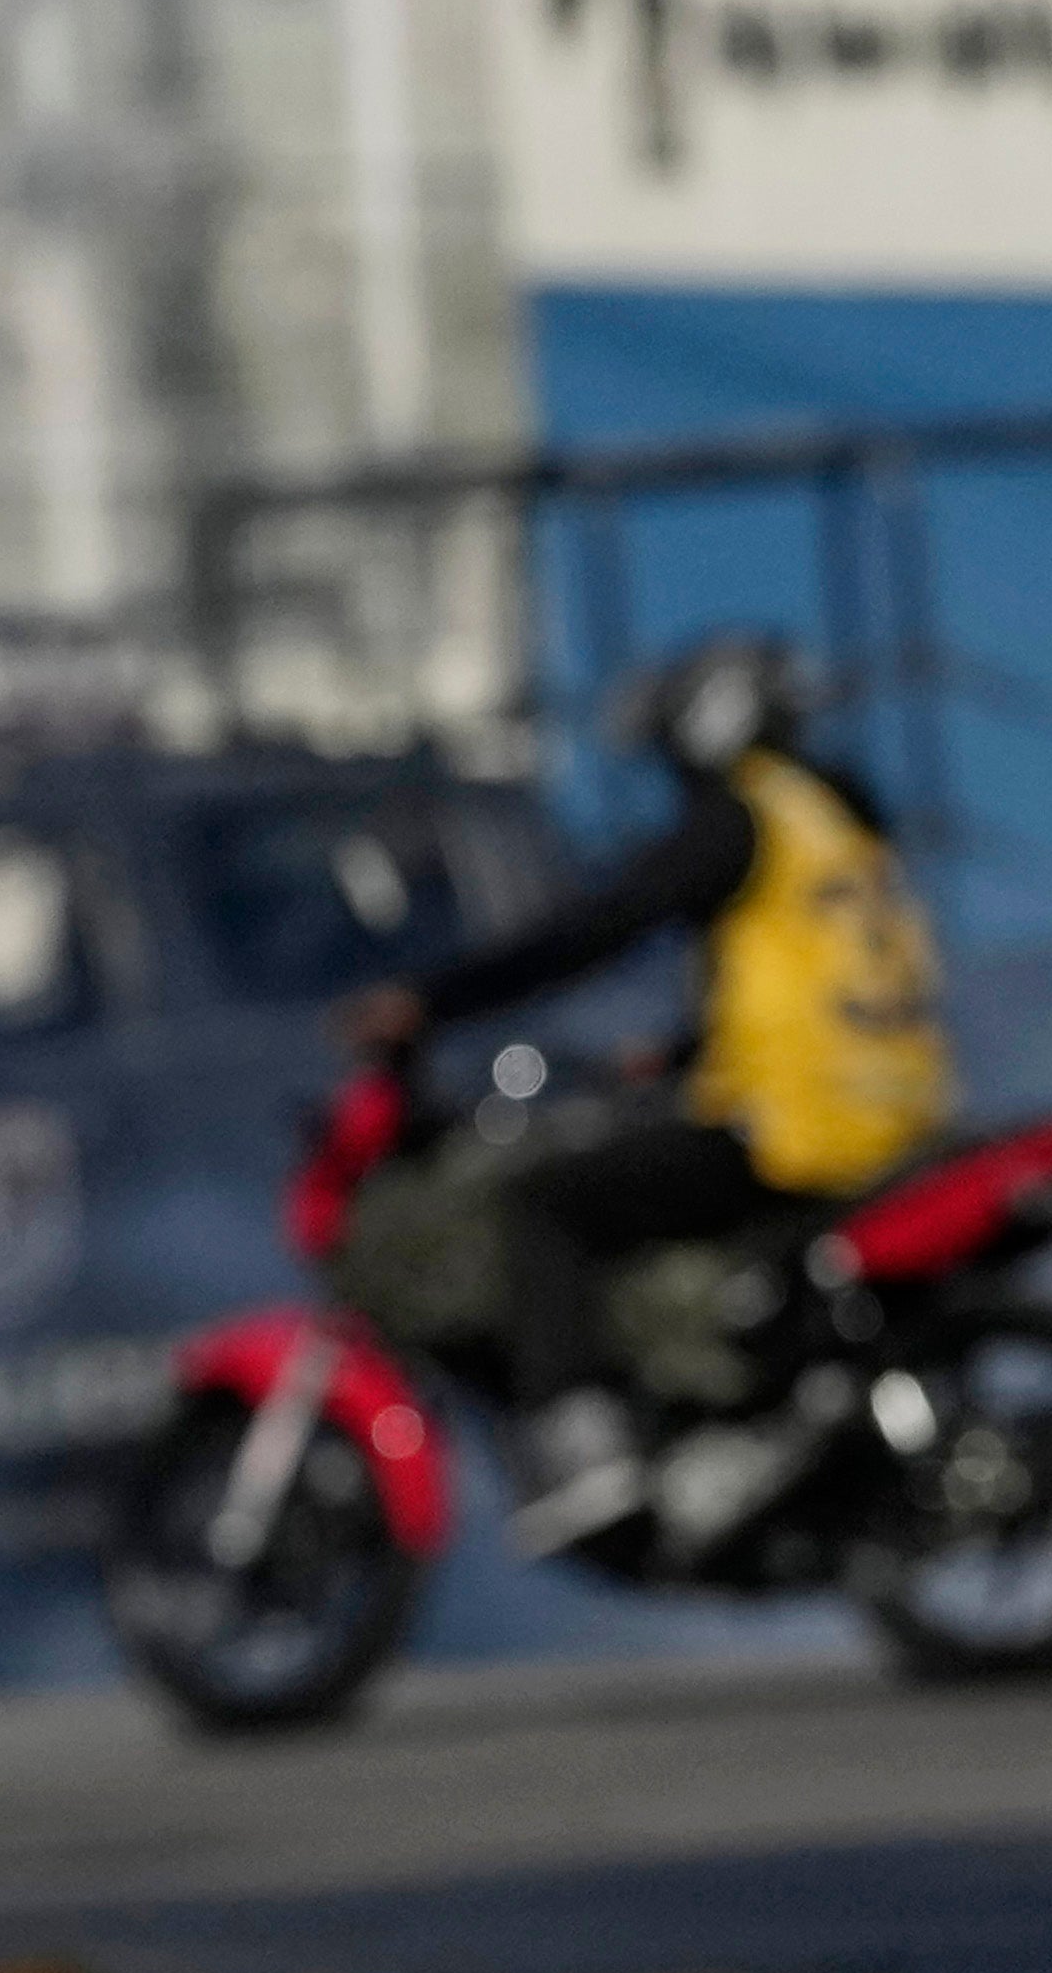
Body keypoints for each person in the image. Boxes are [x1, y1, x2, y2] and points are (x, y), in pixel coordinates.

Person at [334, 626, 954, 1547]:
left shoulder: (738, 819)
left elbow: (604, 924)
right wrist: (677, 1057)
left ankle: (587, 1451)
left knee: (545, 1205)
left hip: (799, 1122)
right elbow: (806, 980)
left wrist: (434, 1001)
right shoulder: (823, 816)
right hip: (893, 1105)